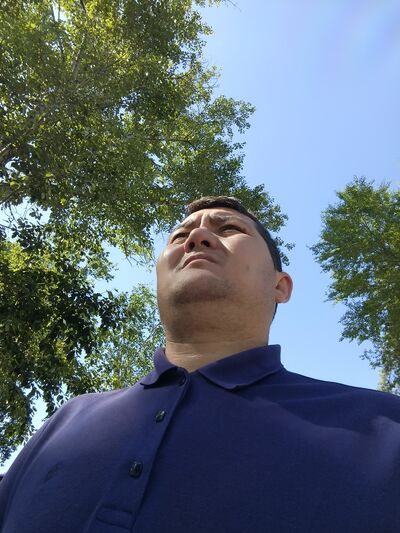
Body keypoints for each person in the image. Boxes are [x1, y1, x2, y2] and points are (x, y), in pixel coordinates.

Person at [0, 195, 399, 533]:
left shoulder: (385, 429)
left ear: (280, 286)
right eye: (180, 236)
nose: (196, 238)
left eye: (229, 229)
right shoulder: (67, 418)